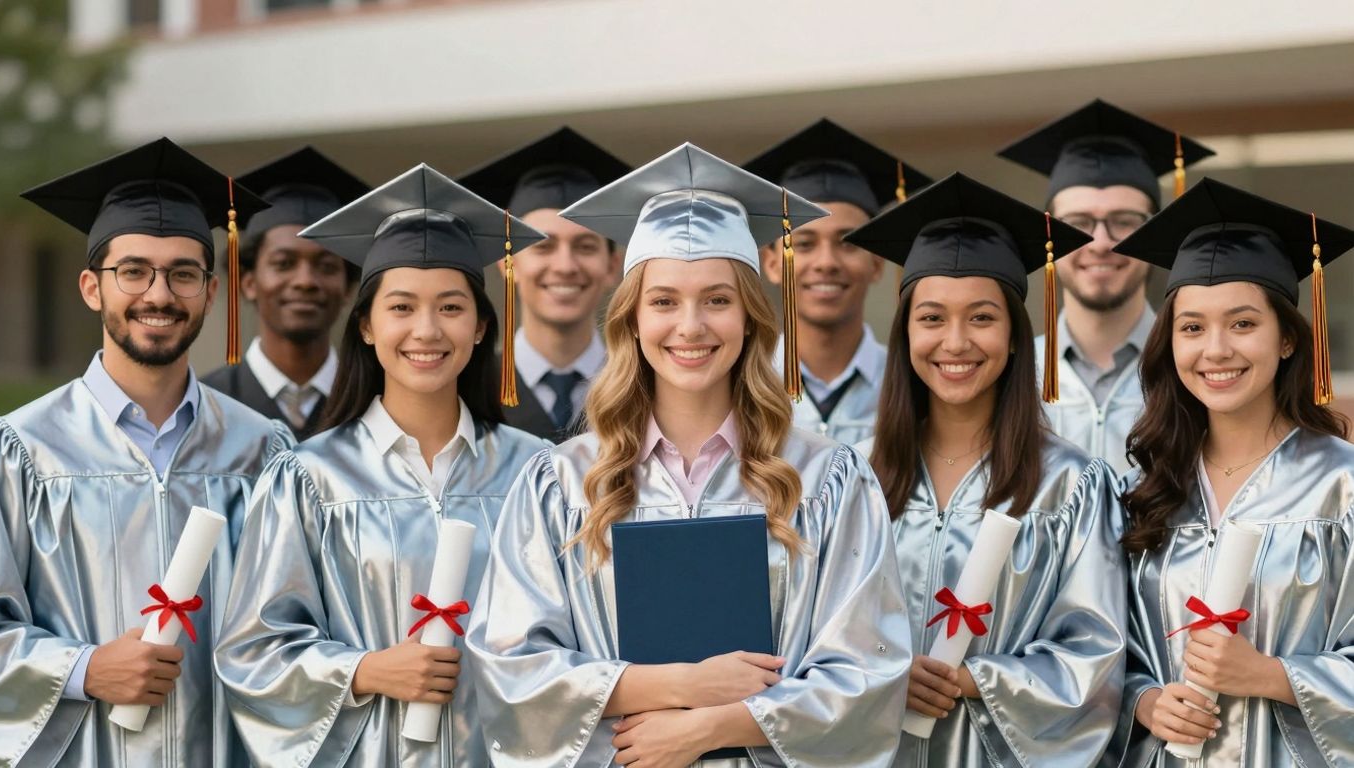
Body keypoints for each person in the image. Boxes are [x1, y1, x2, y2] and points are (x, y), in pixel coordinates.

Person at [467, 143, 911, 767]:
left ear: (752, 318)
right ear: (632, 318)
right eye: (665, 300)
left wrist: (713, 728)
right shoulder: (563, 480)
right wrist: (676, 688)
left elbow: (869, 673)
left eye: (718, 300)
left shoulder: (825, 478)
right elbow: (512, 669)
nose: (692, 326)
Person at [213, 164, 548, 766]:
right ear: (366, 325)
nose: (426, 330)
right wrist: (365, 670)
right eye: (401, 307)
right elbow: (253, 652)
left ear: (480, 328)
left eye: (451, 307)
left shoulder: (537, 474)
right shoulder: (310, 478)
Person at [0, 138, 292, 767]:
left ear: (210, 293)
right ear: (91, 288)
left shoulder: (263, 451)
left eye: (183, 273)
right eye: (133, 271)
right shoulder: (18, 451)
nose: (158, 294)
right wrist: (83, 668)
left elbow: (296, 636)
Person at [849, 172, 1128, 767]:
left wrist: (971, 679)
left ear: (1014, 334)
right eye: (931, 319)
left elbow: (1096, 657)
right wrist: (885, 674)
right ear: (904, 333)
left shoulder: (1073, 485)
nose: (955, 342)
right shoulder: (855, 481)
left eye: (981, 317)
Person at [1110, 178, 1354, 767]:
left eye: (1243, 324)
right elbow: (1101, 649)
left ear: (1289, 339)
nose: (1215, 350)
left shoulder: (1342, 487)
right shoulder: (1148, 486)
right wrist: (1141, 701)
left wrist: (1273, 676)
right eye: (1192, 328)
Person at [998, 99, 1213, 473]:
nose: (1100, 242)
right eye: (1078, 222)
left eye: (1125, 220)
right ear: (1049, 231)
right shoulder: (1007, 372)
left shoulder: (1200, 368)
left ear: (1156, 230)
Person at [744, 118, 932, 445]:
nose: (827, 262)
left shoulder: (917, 385)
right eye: (803, 244)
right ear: (771, 263)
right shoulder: (739, 386)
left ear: (876, 263)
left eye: (847, 242)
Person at [459, 127, 630, 441]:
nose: (565, 266)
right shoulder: (465, 390)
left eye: (585, 246)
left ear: (612, 266)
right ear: (507, 264)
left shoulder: (641, 388)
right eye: (543, 246)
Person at [202, 146, 368, 440]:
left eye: (326, 266)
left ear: (348, 288)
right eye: (283, 264)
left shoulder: (374, 405)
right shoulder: (204, 406)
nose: (305, 281)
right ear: (248, 281)